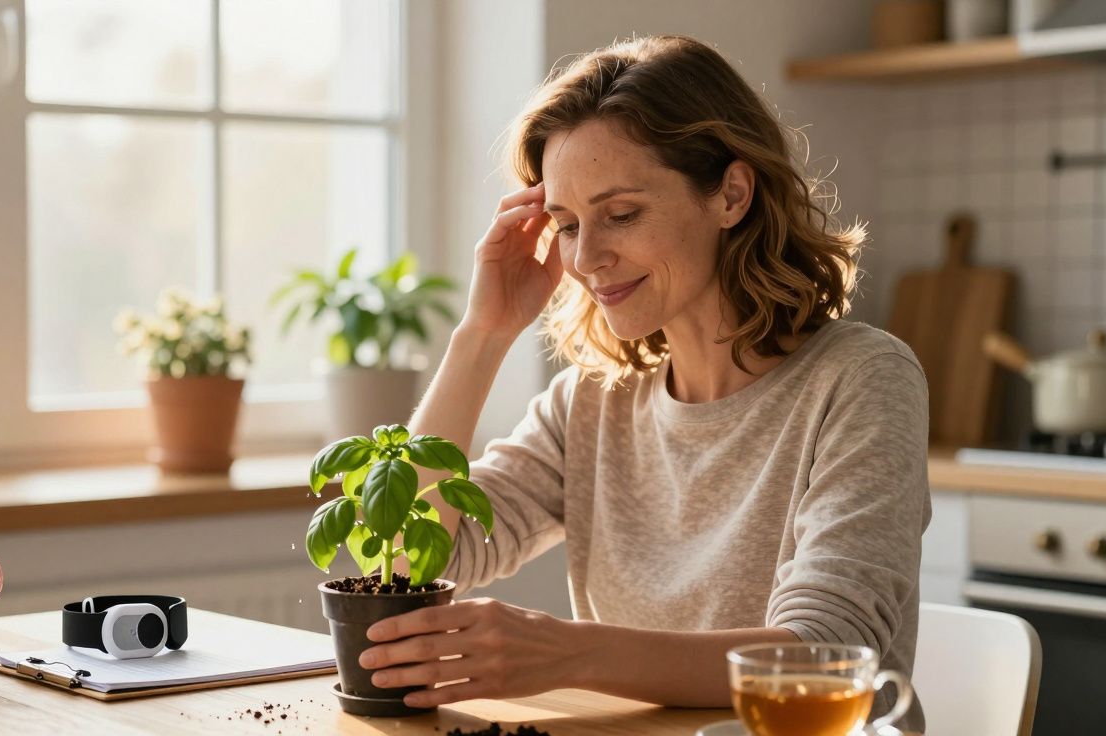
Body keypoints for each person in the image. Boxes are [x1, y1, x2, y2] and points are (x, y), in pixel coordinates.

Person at [359, 34, 929, 730]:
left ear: (732, 194)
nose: (587, 257)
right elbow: (408, 560)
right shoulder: (592, 402)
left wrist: (568, 653)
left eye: (621, 214)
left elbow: (824, 657)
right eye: (566, 225)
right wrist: (482, 334)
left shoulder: (861, 380)